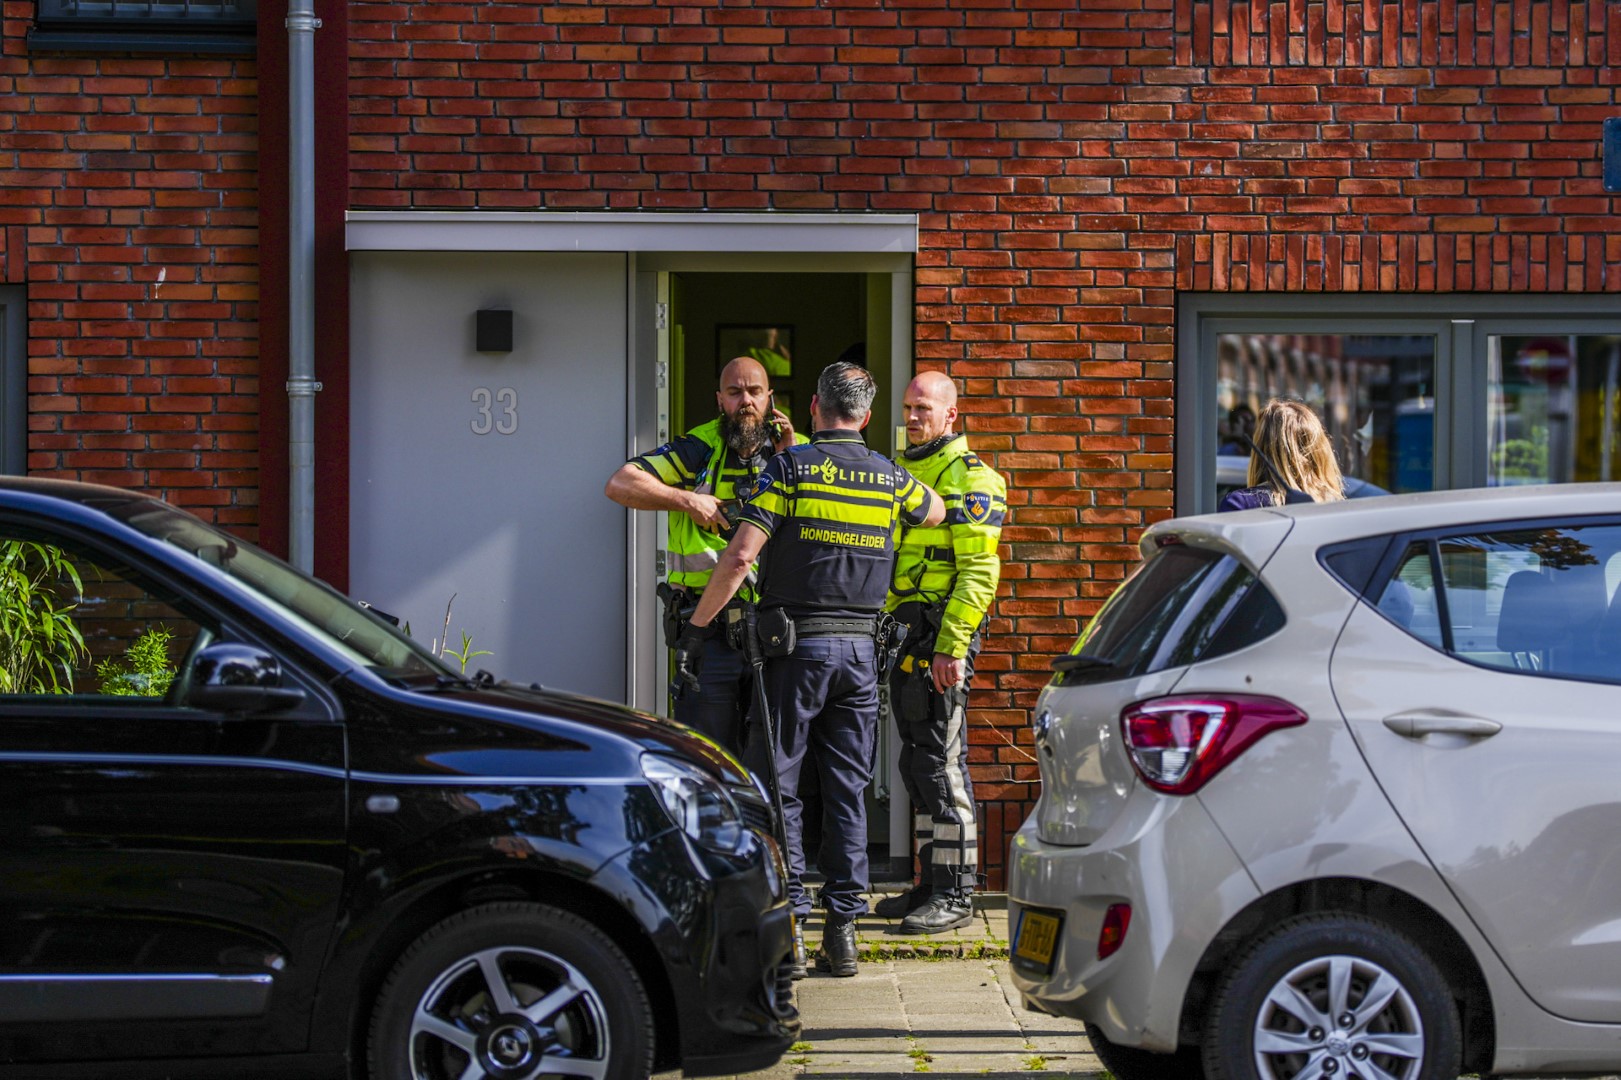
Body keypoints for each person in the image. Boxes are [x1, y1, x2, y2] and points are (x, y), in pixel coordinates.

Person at [683, 361, 946, 977]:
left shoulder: (788, 468)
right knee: (848, 789)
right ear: (868, 416)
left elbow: (742, 555)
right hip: (860, 656)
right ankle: (844, 931)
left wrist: (698, 630)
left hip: (794, 652)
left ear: (813, 411)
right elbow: (934, 510)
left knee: (780, 785)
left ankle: (791, 926)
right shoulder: (889, 477)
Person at [604, 356, 801, 751]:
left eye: (754, 392)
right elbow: (620, 484)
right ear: (719, 400)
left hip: (775, 630)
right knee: (705, 756)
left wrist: (789, 457)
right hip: (706, 633)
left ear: (770, 398)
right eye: (734, 392)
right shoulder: (700, 446)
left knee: (773, 761)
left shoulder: (795, 451)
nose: (745, 401)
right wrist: (688, 502)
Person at [876, 371, 1006, 933]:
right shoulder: (900, 473)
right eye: (907, 407)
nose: (912, 417)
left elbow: (979, 572)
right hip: (905, 638)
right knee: (915, 764)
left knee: (940, 764)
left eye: (923, 408)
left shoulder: (973, 479)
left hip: (940, 640)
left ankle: (956, 894)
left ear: (951, 415)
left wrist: (952, 648)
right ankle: (929, 883)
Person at [1218, 398, 1346, 511]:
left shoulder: (1239, 504)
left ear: (1262, 446)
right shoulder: (1338, 507)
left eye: (1251, 421)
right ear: (1319, 452)